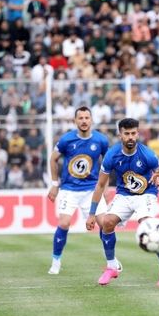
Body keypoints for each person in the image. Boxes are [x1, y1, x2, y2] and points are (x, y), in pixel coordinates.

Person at [86, 118, 159, 287]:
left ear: (138, 133)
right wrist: (91, 213)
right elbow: (100, 185)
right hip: (124, 195)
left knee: (148, 225)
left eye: (133, 133)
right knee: (106, 223)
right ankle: (112, 266)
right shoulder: (112, 155)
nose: (131, 137)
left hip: (146, 194)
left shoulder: (147, 155)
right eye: (127, 134)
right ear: (120, 135)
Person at [47, 106, 109, 275]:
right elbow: (53, 159)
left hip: (92, 190)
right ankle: (56, 261)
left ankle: (110, 260)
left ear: (91, 120)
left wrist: (105, 187)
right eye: (80, 118)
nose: (84, 121)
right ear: (75, 121)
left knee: (105, 223)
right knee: (64, 223)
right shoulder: (66, 140)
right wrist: (54, 183)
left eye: (86, 118)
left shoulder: (101, 140)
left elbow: (107, 164)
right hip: (69, 189)